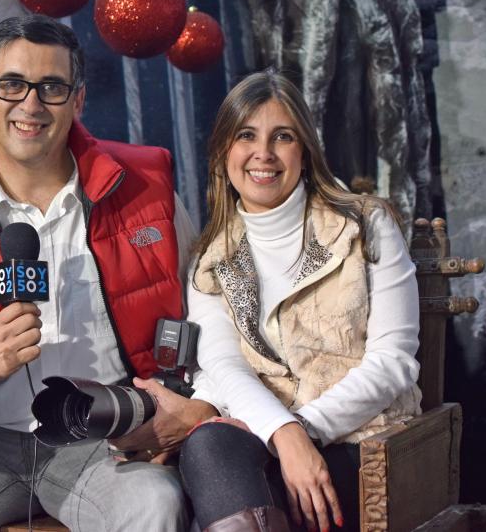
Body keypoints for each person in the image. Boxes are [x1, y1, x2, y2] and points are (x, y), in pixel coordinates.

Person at [0, 14, 218, 531]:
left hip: (102, 433)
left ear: (78, 100)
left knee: (155, 505)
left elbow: (208, 314)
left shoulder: (147, 189)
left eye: (52, 87)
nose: (31, 105)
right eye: (12, 84)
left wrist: (195, 403)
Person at [179, 69, 421, 532]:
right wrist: (284, 435)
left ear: (305, 150)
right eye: (246, 135)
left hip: (362, 441)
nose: (263, 154)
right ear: (224, 152)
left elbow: (393, 361)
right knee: (209, 447)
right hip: (267, 438)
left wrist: (304, 431)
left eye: (282, 136)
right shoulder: (210, 259)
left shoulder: (363, 225)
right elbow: (223, 366)